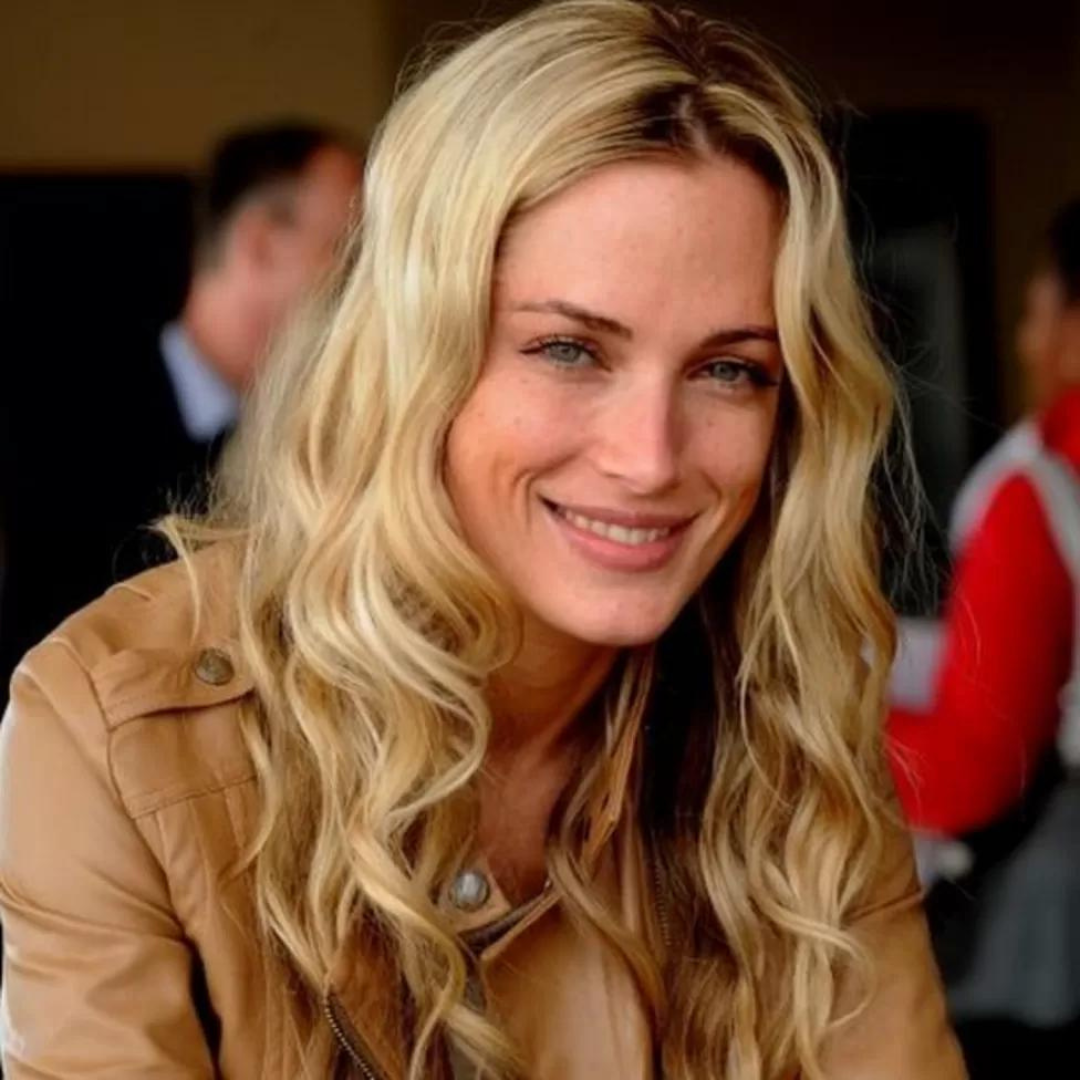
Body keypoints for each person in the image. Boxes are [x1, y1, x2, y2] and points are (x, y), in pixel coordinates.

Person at [0, 3, 964, 1077]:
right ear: (412, 354)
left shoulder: (793, 726)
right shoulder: (116, 736)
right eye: (569, 350)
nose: (650, 457)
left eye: (730, 369)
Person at [0, 121, 363, 701]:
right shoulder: (55, 426)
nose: (367, 289)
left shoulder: (341, 439)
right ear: (261, 244)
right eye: (348, 252)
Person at [888, 201, 1080, 1076]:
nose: (1025, 342)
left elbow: (974, 769)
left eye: (1038, 313)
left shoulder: (1033, 493)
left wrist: (806, 733)